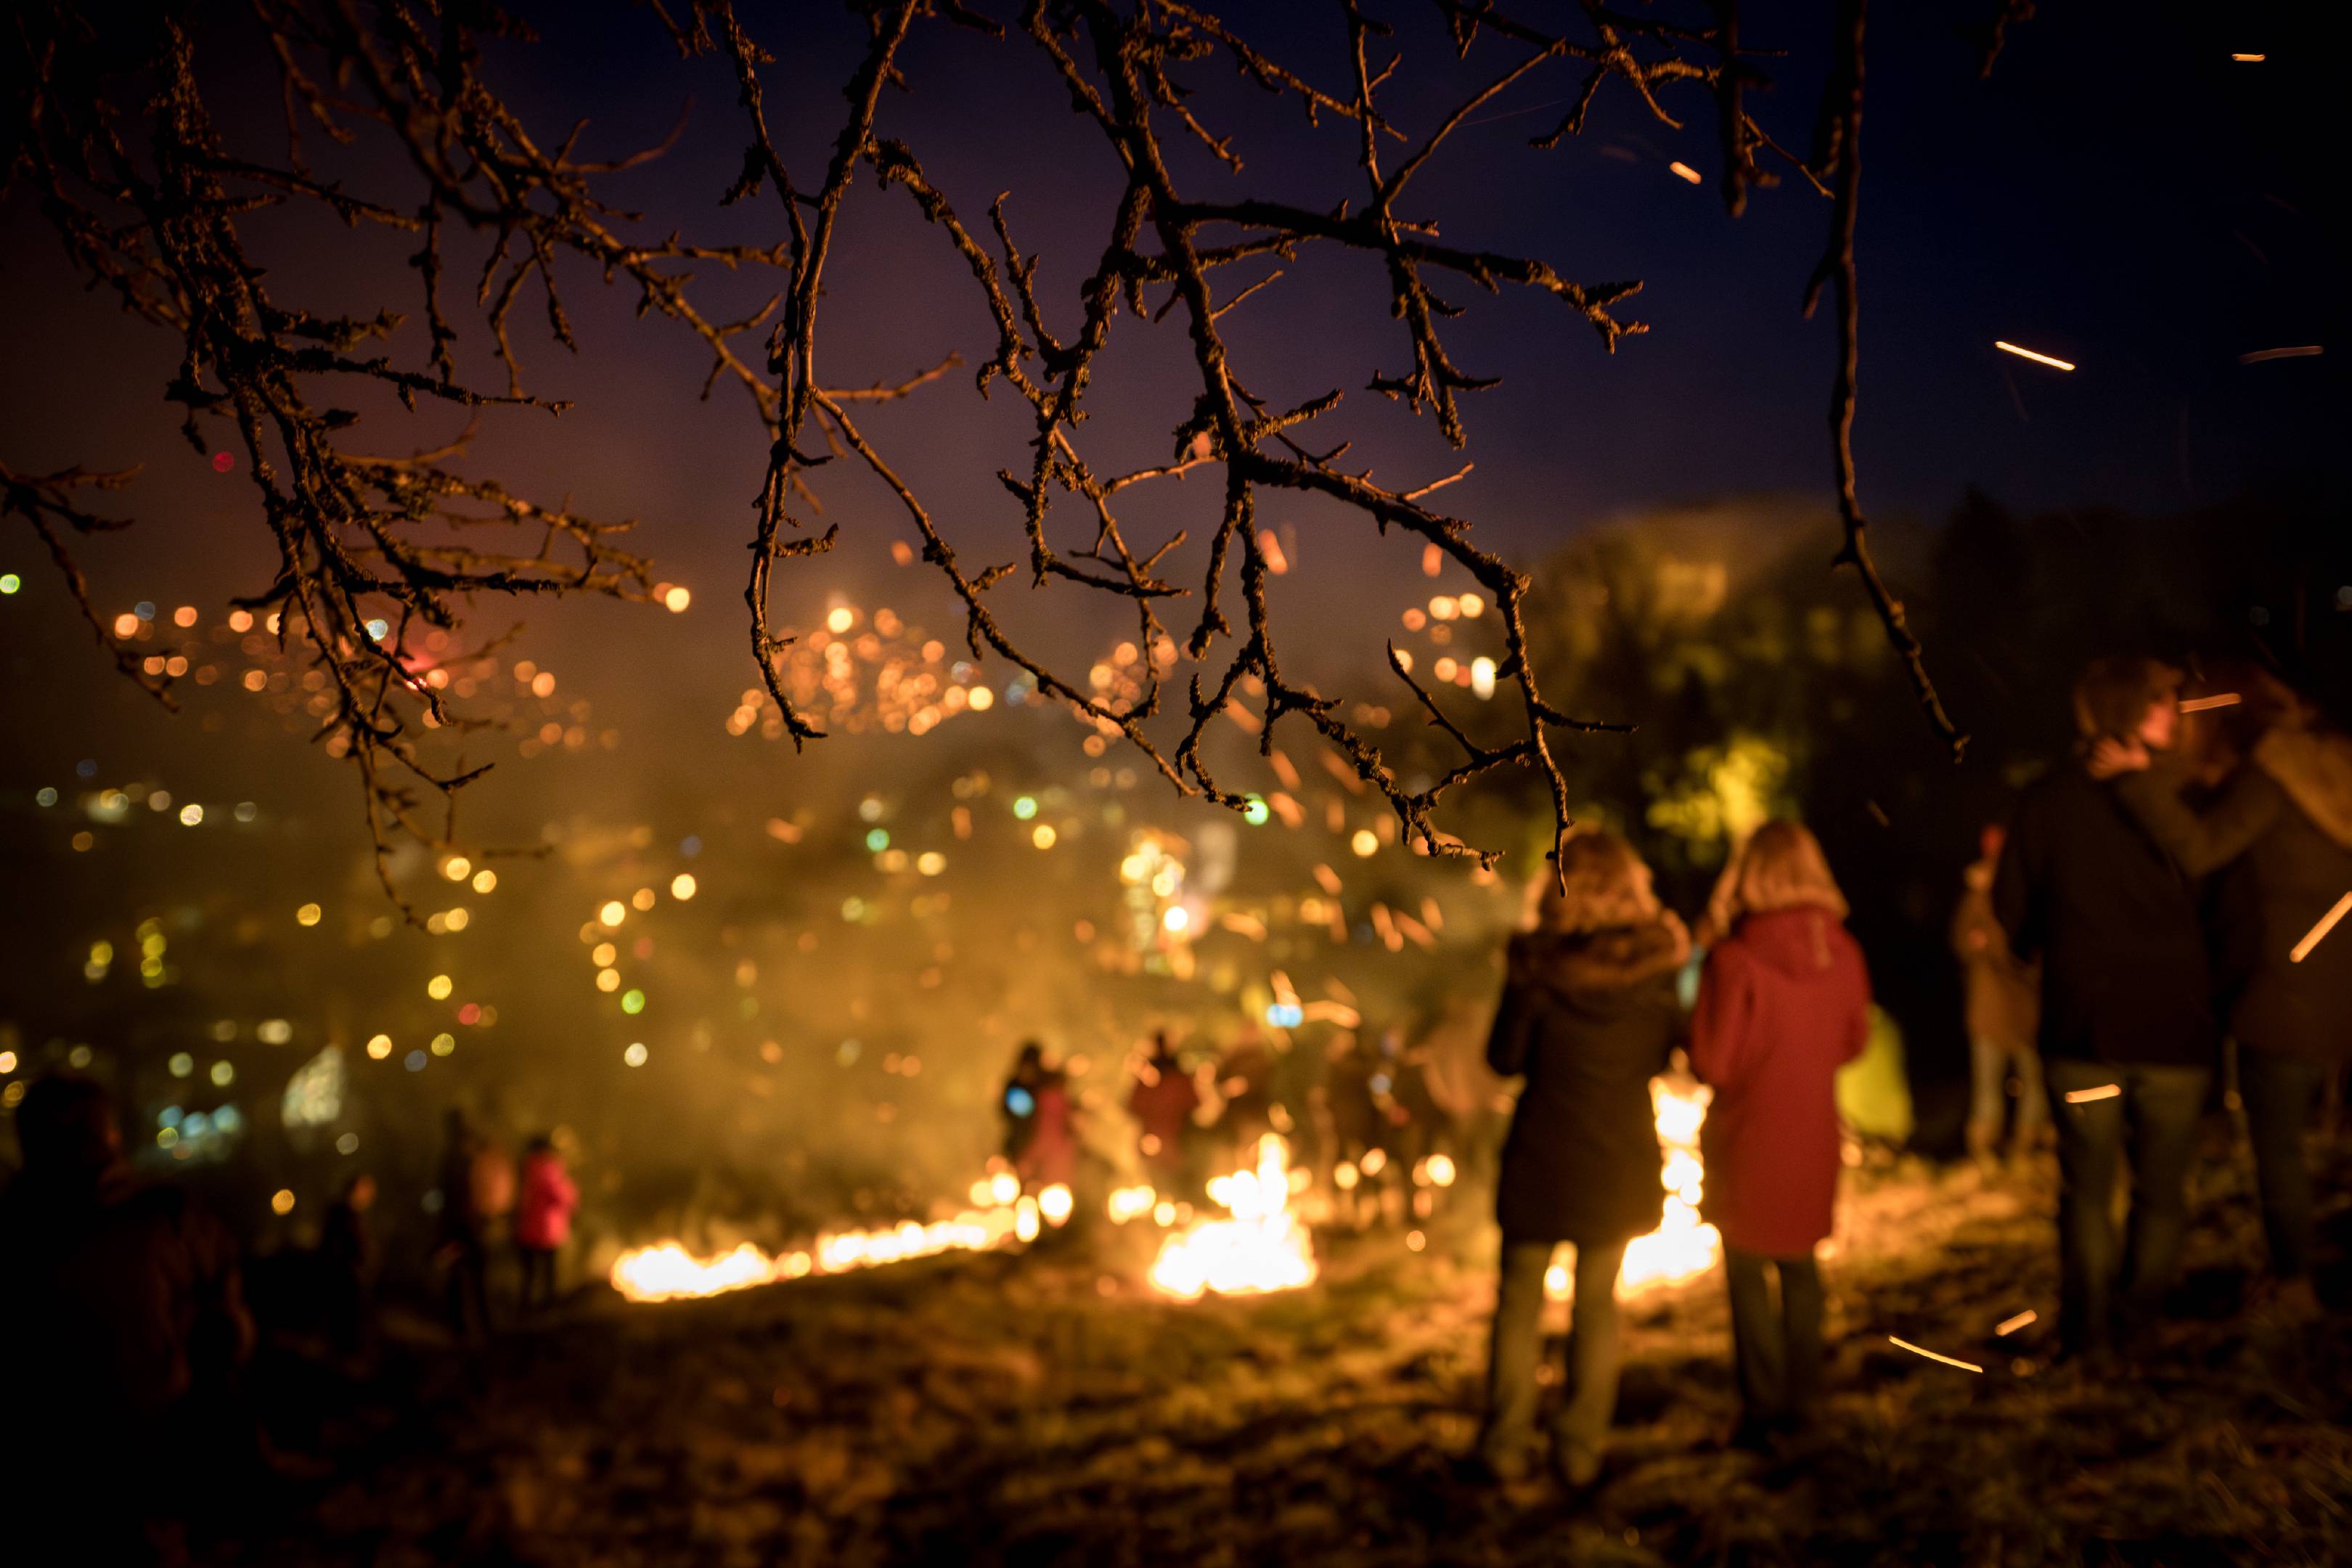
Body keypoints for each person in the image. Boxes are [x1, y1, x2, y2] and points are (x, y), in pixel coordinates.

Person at [2092, 663, 2352, 1325]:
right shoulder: (2333, 770)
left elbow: (2203, 846)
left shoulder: (2272, 780)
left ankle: (2295, 1285)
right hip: (2337, 984)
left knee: (2280, 1149)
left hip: (2282, 998)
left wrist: (2135, 781)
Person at [1995, 657, 2217, 1362]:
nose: (2178, 713)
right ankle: (2137, 1324)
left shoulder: (2045, 801)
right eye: (2163, 701)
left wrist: (2041, 951)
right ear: (2128, 710)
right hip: (2175, 1025)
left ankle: (2090, 1334)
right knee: (2161, 1191)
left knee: (2087, 1193)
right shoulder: (2191, 804)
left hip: (2083, 1026)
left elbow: (2012, 907)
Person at [1478, 831, 1689, 1487]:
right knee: (1597, 1306)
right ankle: (1579, 1452)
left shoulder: (1538, 969)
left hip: (1544, 1155)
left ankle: (1506, 1447)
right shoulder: (1658, 972)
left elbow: (1504, 1060)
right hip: (1617, 1158)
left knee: (1519, 1302)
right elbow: (1667, 1056)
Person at [0, 1075, 255, 1562]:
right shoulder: (174, 1222)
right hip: (151, 1468)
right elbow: (230, 1337)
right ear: (109, 1137)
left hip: (37, 1481)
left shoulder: (13, 1233)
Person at [1689, 821, 1871, 1448]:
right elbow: (1855, 1041)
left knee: (1747, 1272)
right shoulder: (1843, 951)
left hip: (1747, 1136)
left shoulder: (1734, 958)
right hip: (1814, 1130)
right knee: (1801, 1267)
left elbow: (1712, 1063)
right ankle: (1808, 1401)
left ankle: (1763, 1411)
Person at [1952, 823, 2046, 1168]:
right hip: (1988, 1010)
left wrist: (1990, 943)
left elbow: (2024, 951)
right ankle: (1984, 1152)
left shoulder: (2034, 889)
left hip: (2027, 1009)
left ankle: (2027, 1147)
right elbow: (1962, 939)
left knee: (2033, 1084)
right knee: (1988, 1087)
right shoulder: (1978, 894)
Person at [436, 1108, 510, 1342]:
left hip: (458, 1224)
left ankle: (465, 1327)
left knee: (462, 1275)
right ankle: (480, 1325)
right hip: (470, 1224)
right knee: (474, 1274)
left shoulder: (452, 1158)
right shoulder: (469, 1158)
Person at [515, 1135, 580, 1313]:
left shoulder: (523, 1167)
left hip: (526, 1227)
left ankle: (526, 1308)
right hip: (546, 1229)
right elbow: (562, 1196)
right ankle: (548, 1308)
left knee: (529, 1274)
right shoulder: (550, 1168)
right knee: (549, 1273)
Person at [319, 1172, 380, 1361]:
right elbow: (336, 1246)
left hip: (351, 1276)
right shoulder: (342, 1215)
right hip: (344, 1277)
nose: (371, 1196)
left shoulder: (353, 1215)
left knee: (352, 1320)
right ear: (357, 1190)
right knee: (345, 1319)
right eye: (367, 1190)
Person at [1127, 1034, 1201, 1188]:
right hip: (1171, 1142)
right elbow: (1194, 1104)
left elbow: (1133, 1107)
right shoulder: (1179, 1079)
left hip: (1172, 1143)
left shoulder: (1154, 1083)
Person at [1003, 1042, 1075, 1192]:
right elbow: (1015, 1118)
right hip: (1023, 1152)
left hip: (1052, 1157)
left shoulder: (1049, 1090)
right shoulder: (1017, 1089)